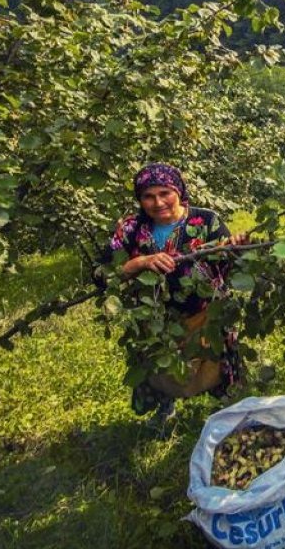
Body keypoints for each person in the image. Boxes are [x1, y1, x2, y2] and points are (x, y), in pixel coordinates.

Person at [105, 162, 245, 429]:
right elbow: (103, 274)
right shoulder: (132, 229)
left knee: (215, 366)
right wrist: (140, 263)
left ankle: (228, 418)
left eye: (165, 193)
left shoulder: (205, 221)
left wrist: (237, 250)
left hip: (204, 315)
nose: (158, 203)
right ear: (140, 200)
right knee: (161, 370)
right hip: (155, 320)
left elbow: (231, 267)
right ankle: (164, 410)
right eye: (148, 196)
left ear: (179, 191)